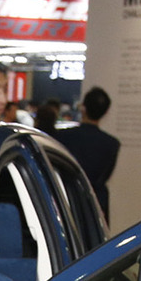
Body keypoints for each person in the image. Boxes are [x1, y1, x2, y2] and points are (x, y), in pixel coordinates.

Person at [54, 87, 121, 220]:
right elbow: (105, 176)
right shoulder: (112, 144)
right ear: (106, 111)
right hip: (97, 203)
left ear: (83, 107)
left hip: (67, 201)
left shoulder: (62, 137)